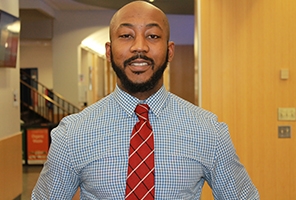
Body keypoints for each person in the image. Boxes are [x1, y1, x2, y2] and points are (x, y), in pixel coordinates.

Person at [32, 1, 260, 199]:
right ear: (109, 52)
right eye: (126, 36)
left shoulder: (209, 131)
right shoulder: (72, 134)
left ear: (170, 51)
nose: (139, 46)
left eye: (152, 36)